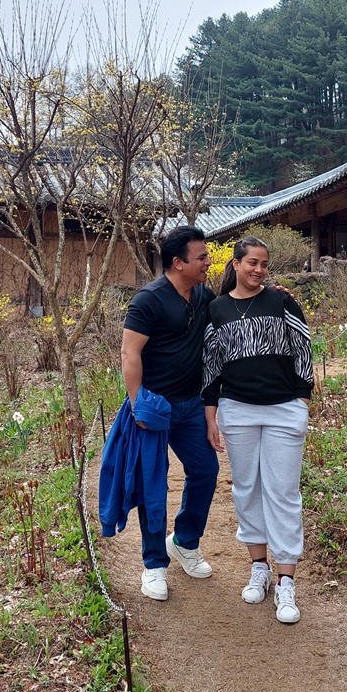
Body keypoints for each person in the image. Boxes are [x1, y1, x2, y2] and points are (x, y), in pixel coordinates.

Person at [202, 236, 314, 624]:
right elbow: (210, 363)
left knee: (283, 492)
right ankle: (260, 567)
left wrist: (302, 399)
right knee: (247, 487)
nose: (259, 270)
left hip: (284, 409)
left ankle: (286, 581)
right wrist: (211, 413)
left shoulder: (281, 301)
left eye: (264, 264)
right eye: (252, 262)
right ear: (235, 264)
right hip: (237, 410)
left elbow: (304, 346)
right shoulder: (217, 309)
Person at [117, 225, 220, 601]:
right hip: (155, 407)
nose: (208, 263)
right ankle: (154, 564)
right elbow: (130, 353)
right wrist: (137, 404)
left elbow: (231, 310)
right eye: (202, 257)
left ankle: (185, 541)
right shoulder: (148, 300)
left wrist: (271, 297)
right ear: (178, 263)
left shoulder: (202, 295)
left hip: (191, 404)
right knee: (152, 484)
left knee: (206, 471)